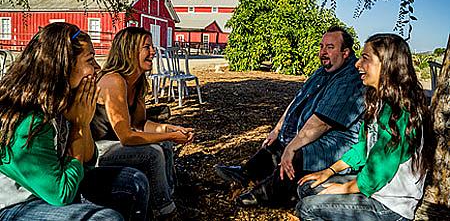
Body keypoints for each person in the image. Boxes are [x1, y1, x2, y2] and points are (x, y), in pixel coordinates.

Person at [0, 22, 150, 220]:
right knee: (106, 219)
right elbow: (62, 194)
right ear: (64, 65)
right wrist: (78, 126)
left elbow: (88, 162)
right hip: (16, 203)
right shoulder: (30, 119)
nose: (97, 67)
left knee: (134, 181)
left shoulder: (64, 99)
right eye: (90, 60)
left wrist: (84, 122)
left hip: (57, 183)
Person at [215, 26, 366, 207]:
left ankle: (266, 195)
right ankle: (245, 173)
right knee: (277, 142)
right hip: (314, 131)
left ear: (346, 52)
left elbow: (322, 123)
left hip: (337, 142)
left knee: (299, 152)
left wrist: (292, 146)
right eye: (321, 46)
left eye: (330, 47)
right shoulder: (322, 71)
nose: (323, 52)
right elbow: (298, 100)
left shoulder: (350, 79)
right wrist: (277, 129)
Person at [296, 33, 435, 220]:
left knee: (307, 208)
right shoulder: (377, 101)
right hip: (373, 187)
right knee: (307, 187)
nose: (357, 64)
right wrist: (329, 172)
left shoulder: (401, 110)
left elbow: (380, 170)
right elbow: (362, 147)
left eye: (365, 58)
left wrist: (345, 188)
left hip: (390, 203)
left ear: (387, 64)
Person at [90, 27, 194, 220]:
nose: (153, 52)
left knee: (165, 144)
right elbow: (127, 136)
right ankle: (166, 212)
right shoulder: (114, 81)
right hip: (96, 150)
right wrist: (169, 134)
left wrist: (170, 130)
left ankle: (168, 197)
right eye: (147, 47)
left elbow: (140, 124)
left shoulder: (136, 82)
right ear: (129, 51)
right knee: (153, 153)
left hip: (116, 144)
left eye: (152, 47)